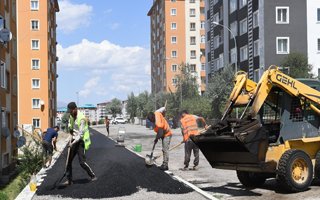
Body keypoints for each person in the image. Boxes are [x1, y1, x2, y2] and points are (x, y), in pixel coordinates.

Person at [63, 102, 97, 186]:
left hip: (81, 141)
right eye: (69, 111)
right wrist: (68, 139)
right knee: (68, 162)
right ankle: (69, 180)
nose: (70, 113)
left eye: (71, 111)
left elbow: (80, 135)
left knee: (82, 162)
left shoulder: (82, 118)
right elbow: (71, 130)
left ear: (75, 109)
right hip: (74, 140)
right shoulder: (71, 116)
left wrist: (73, 143)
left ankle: (92, 176)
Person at [147, 106, 172, 170]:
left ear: (153, 117)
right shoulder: (157, 113)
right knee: (163, 149)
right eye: (150, 121)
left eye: (152, 120)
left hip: (167, 134)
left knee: (165, 150)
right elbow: (163, 108)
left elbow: (160, 133)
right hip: (163, 133)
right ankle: (164, 163)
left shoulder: (158, 123)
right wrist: (163, 112)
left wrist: (156, 139)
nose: (151, 121)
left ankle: (165, 165)